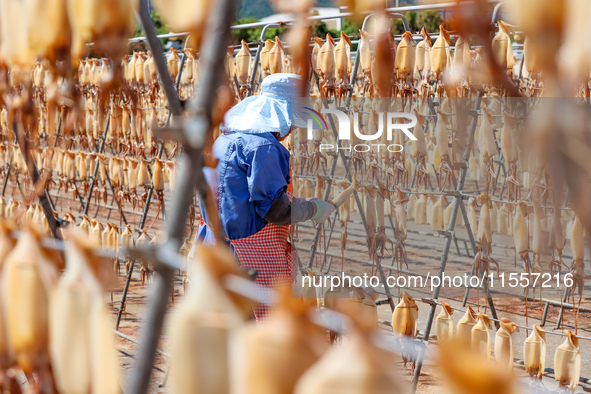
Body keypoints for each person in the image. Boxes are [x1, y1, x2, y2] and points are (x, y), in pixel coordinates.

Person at [196, 73, 335, 319]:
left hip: (212, 249)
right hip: (247, 261)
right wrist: (313, 209)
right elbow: (275, 211)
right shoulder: (266, 148)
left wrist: (300, 203)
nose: (292, 129)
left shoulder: (225, 139)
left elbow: (240, 199)